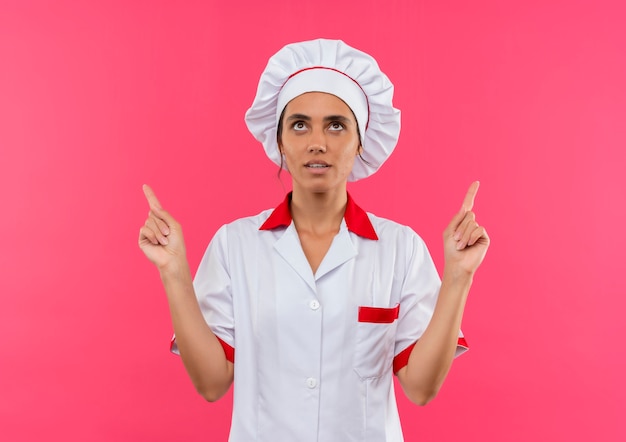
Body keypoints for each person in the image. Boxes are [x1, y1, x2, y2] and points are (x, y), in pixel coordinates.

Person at [138, 39, 489, 441]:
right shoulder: (235, 245)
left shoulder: (401, 249)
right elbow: (211, 383)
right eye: (299, 124)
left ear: (360, 141)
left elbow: (421, 388)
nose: (317, 142)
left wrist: (459, 276)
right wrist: (173, 271)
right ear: (280, 142)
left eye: (336, 125)